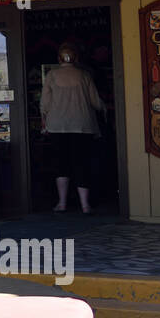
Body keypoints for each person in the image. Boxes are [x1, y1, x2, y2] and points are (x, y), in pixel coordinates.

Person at [41, 42, 105, 213]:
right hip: (82, 125)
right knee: (82, 163)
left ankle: (62, 203)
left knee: (61, 164)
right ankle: (85, 205)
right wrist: (105, 107)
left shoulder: (51, 76)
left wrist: (44, 118)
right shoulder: (84, 75)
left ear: (58, 58)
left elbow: (45, 104)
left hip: (57, 126)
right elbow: (96, 102)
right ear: (76, 58)